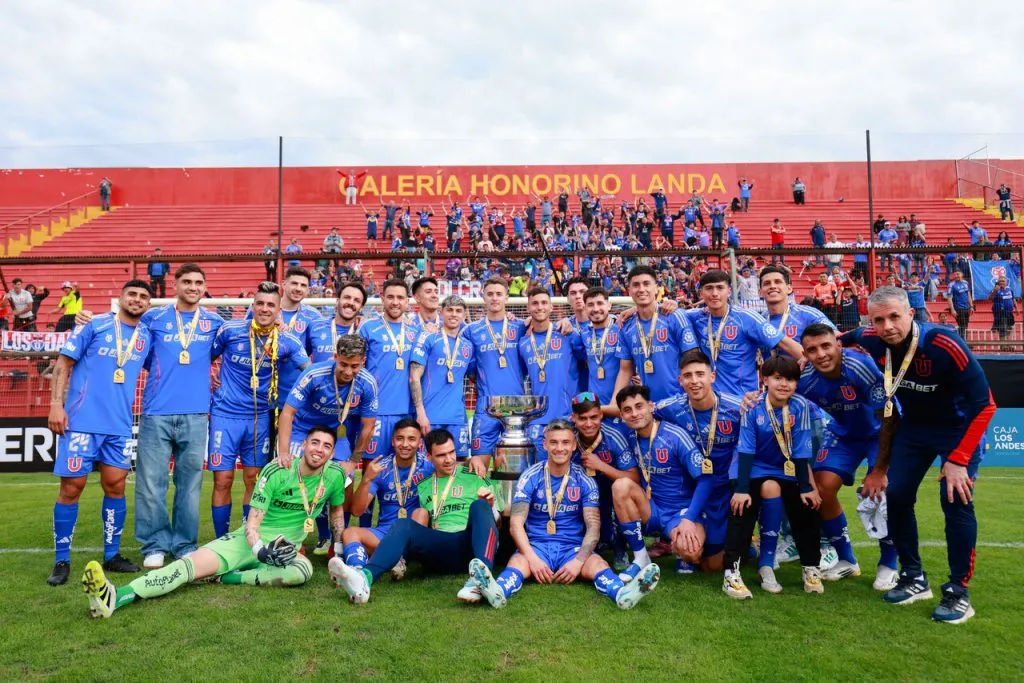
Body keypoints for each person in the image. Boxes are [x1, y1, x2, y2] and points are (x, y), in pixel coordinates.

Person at [81, 427, 346, 618]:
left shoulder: (334, 476)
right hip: (249, 542)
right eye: (315, 442)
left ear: (332, 452)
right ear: (304, 445)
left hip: (285, 550)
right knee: (187, 568)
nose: (319, 450)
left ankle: (227, 579)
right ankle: (117, 595)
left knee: (303, 572)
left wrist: (340, 552)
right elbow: (252, 525)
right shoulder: (277, 470)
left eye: (326, 446)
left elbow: (336, 513)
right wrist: (259, 551)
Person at [845, 287, 995, 623]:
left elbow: (985, 405)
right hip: (914, 429)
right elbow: (841, 336)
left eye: (894, 316)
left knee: (955, 499)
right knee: (895, 495)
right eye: (879, 319)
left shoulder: (944, 344)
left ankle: (958, 592)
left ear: (911, 314)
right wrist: (803, 357)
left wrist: (957, 460)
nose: (887, 326)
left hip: (958, 430)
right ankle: (914, 578)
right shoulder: (871, 337)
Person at [471, 420, 660, 610]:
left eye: (565, 443)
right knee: (518, 561)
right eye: (554, 442)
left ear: (573, 445)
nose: (559, 448)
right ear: (545, 444)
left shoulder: (584, 480)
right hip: (537, 546)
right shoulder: (530, 476)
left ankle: (622, 593)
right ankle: (498, 591)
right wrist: (533, 559)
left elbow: (593, 527)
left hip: (572, 548)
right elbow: (516, 524)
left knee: (597, 563)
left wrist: (578, 562)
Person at [46, 280, 153, 586]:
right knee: (72, 487)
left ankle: (112, 555)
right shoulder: (93, 324)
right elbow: (63, 363)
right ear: (120, 298)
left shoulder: (146, 335)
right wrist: (56, 405)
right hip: (81, 421)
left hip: (119, 426)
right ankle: (61, 560)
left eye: (143, 296)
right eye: (132, 294)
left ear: (148, 304)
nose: (137, 299)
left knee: (116, 486)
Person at [329, 428, 503, 604]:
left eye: (452, 452)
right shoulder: (424, 485)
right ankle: (364, 579)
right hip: (441, 547)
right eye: (441, 455)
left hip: (472, 544)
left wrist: (490, 509)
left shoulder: (476, 475)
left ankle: (480, 578)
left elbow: (498, 524)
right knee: (403, 524)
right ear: (428, 456)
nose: (449, 459)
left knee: (480, 505)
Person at [798, 324, 899, 590]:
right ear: (805, 354)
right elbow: (778, 394)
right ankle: (847, 560)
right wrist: (753, 397)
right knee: (822, 489)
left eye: (825, 346)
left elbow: (888, 416)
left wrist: (878, 471)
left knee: (879, 492)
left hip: (881, 431)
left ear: (838, 345)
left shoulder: (859, 366)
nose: (820, 354)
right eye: (812, 350)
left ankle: (889, 563)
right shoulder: (805, 378)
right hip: (844, 434)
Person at [135, 265, 224, 569]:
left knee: (190, 484)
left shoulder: (214, 322)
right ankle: (155, 545)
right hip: (156, 412)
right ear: (174, 284)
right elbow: (142, 356)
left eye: (199, 282)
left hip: (197, 414)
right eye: (187, 281)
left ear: (204, 287)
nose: (193, 286)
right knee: (151, 483)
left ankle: (185, 544)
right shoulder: (153, 318)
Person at [208, 282, 309, 538]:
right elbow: (204, 357)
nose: (264, 309)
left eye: (270, 305)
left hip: (259, 418)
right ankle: (221, 538)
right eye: (260, 303)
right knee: (223, 480)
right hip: (225, 415)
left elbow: (310, 372)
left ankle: (245, 534)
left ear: (278, 310)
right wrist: (210, 376)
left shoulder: (287, 341)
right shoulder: (230, 330)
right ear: (253, 305)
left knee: (253, 478)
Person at [721, 355, 823, 599]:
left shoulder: (800, 407)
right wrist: (742, 488)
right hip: (751, 467)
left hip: (784, 469)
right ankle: (730, 574)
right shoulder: (752, 405)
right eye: (777, 378)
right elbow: (746, 450)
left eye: (790, 379)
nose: (784, 384)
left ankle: (811, 568)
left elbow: (800, 451)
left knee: (806, 506)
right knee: (741, 507)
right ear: (765, 379)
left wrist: (807, 487)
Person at [652, 350, 741, 573]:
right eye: (688, 376)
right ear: (680, 380)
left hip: (728, 491)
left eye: (700, 374)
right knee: (696, 556)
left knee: (714, 566)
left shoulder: (737, 407)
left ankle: (741, 545)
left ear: (712, 376)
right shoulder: (669, 408)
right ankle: (687, 544)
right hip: (694, 491)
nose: (694, 381)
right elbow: (640, 414)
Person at [612, 384, 708, 582]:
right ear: (621, 415)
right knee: (620, 485)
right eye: (627, 410)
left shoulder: (675, 435)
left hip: (680, 511)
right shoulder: (629, 437)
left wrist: (689, 518)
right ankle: (641, 558)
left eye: (639, 406)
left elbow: (706, 479)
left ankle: (682, 550)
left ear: (650, 406)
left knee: (692, 552)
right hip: (651, 508)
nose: (635, 414)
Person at [684, 270, 804, 397]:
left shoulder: (747, 318)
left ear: (729, 291)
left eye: (720, 288)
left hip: (742, 399)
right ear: (701, 293)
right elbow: (673, 315)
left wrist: (806, 356)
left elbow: (783, 342)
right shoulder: (694, 317)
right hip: (710, 399)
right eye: (709, 288)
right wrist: (670, 304)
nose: (715, 293)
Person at [341, 419, 433, 578]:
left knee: (421, 512)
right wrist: (367, 479)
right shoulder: (381, 468)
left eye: (411, 439)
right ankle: (356, 572)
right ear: (393, 441)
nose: (405, 444)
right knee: (349, 533)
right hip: (385, 533)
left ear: (420, 443)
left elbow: (452, 467)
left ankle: (395, 557)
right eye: (400, 438)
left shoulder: (428, 466)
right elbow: (357, 511)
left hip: (412, 533)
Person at [461, 277, 528, 476]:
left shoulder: (521, 328)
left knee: (512, 472)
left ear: (507, 297)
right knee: (478, 467)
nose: (494, 298)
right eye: (490, 294)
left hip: (516, 406)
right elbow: (470, 370)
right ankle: (484, 506)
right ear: (483, 296)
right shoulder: (471, 331)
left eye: (499, 294)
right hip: (486, 406)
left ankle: (507, 508)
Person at [610, 265, 697, 405]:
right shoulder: (625, 326)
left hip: (681, 402)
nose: (641, 289)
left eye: (646, 284)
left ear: (656, 288)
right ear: (629, 290)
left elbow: (694, 360)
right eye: (636, 285)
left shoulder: (674, 316)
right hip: (650, 406)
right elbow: (625, 370)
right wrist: (614, 404)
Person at [568, 392, 636, 569]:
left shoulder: (614, 437)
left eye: (594, 417)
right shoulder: (567, 435)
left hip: (610, 495)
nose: (589, 424)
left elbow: (634, 478)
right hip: (579, 494)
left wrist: (601, 466)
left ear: (601, 415)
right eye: (583, 418)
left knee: (621, 490)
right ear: (573, 417)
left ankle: (620, 549)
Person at [518, 287, 586, 458]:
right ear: (528, 308)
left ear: (551, 307)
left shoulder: (567, 334)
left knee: (569, 471)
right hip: (538, 419)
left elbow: (587, 362)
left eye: (543, 303)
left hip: (567, 416)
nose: (539, 307)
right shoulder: (523, 343)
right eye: (534, 303)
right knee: (541, 469)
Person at [359, 279, 417, 463]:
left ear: (407, 301)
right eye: (390, 297)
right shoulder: (368, 328)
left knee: (404, 470)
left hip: (406, 413)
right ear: (382, 299)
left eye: (400, 297)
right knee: (372, 470)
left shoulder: (416, 331)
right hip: (376, 412)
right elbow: (358, 368)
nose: (395, 302)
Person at [411, 295, 474, 458]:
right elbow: (414, 377)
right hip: (430, 417)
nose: (454, 314)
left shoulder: (468, 345)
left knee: (457, 464)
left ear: (464, 314)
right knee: (426, 464)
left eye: (458, 311)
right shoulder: (428, 337)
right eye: (450, 310)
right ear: (441, 312)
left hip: (458, 417)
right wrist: (420, 413)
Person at [310, 281, 368, 362]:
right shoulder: (315, 326)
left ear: (361, 307)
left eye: (356, 300)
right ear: (337, 301)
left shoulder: (365, 332)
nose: (351, 303)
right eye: (347, 297)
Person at [945, 270, 973, 338]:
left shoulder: (965, 283)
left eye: (958, 274)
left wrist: (971, 306)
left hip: (967, 307)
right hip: (958, 308)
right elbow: (949, 298)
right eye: (955, 274)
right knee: (962, 325)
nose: (956, 276)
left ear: (962, 274)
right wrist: (952, 310)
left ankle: (965, 341)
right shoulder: (951, 285)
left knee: (965, 325)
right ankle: (963, 342)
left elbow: (968, 295)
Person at [990, 276, 1018, 341]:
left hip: (1009, 312)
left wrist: (1016, 309)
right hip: (1000, 312)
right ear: (998, 282)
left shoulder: (1009, 289)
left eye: (1003, 281)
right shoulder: (996, 290)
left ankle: (1006, 343)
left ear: (1006, 282)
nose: (1002, 282)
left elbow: (1013, 299)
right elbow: (990, 299)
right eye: (1000, 281)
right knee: (1002, 328)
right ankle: (1003, 345)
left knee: (1008, 327)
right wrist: (994, 291)